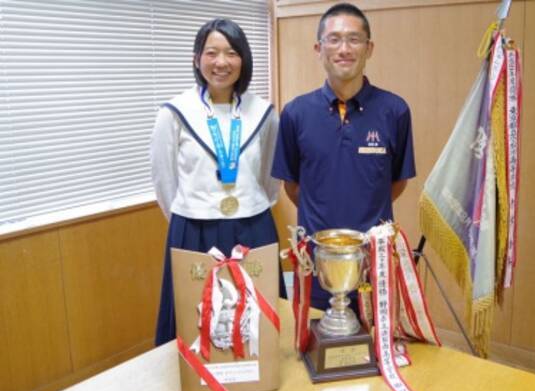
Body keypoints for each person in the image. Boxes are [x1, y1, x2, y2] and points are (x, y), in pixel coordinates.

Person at [271, 3, 416, 311]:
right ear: (318, 48)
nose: (344, 49)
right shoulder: (295, 113)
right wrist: (326, 221)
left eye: (354, 39)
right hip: (315, 258)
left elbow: (397, 182)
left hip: (373, 261)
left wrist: (365, 215)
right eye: (334, 39)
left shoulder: (395, 111)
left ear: (369, 48)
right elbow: (293, 187)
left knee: (374, 346)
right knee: (311, 349)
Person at [151, 18, 285, 346]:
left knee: (255, 320)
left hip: (253, 226)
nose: (221, 62)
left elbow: (271, 176)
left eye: (231, 53)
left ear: (244, 59)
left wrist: (250, 203)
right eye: (211, 53)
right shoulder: (175, 112)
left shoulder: (263, 112)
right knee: (196, 316)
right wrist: (193, 209)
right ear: (197, 59)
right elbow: (164, 180)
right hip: (194, 229)